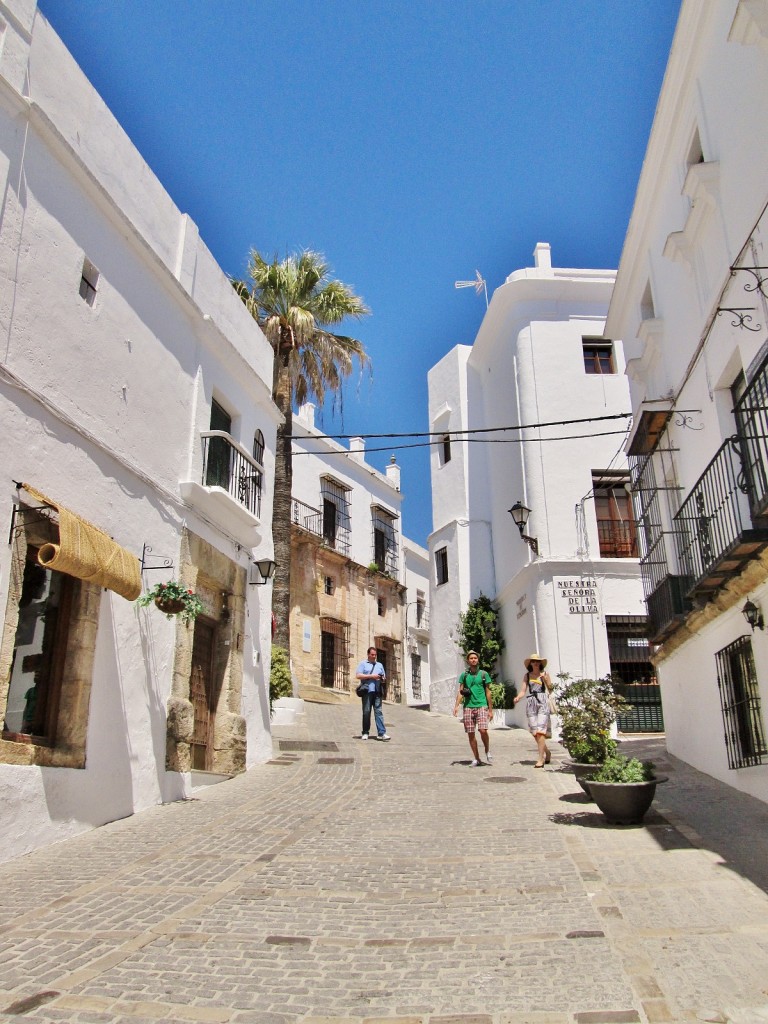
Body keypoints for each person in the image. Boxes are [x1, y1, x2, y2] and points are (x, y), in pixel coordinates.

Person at [452, 650, 493, 766]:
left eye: (475, 658)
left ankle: (487, 749)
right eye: (471, 658)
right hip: (468, 707)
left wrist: (490, 710)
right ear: (468, 661)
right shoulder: (464, 675)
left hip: (481, 705)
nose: (473, 660)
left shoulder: (484, 674)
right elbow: (461, 691)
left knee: (483, 730)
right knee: (470, 733)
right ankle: (477, 758)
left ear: (478, 660)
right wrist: (456, 706)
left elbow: (488, 692)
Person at [513, 653, 553, 767]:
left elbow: (551, 689)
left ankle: (541, 758)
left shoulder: (545, 674)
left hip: (542, 701)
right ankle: (547, 752)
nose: (535, 663)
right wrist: (518, 697)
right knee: (535, 732)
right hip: (531, 702)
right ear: (530, 663)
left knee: (541, 731)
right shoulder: (527, 676)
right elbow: (523, 690)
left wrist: (547, 681)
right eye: (533, 661)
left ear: (540, 663)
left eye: (537, 661)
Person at [355, 646, 390, 741]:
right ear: (368, 654)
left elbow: (384, 677)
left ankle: (381, 733)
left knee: (379, 712)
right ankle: (365, 732)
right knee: (366, 712)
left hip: (377, 692)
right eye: (372, 654)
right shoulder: (363, 664)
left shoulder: (380, 665)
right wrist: (371, 676)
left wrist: (382, 678)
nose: (374, 656)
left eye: (375, 655)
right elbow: (358, 675)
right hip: (367, 691)